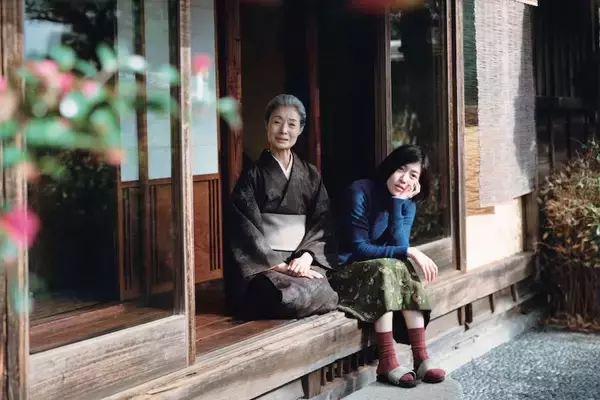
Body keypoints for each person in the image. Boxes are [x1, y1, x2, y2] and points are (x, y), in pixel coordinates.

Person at [329, 144, 446, 388]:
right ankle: (387, 360)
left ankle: (421, 356)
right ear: (390, 167)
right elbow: (359, 249)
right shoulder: (360, 191)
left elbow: (399, 245)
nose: (404, 179)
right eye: (401, 169)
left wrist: (398, 202)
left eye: (413, 175)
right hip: (344, 272)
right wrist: (410, 251)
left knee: (400, 266)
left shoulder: (406, 202)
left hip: (381, 274)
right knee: (389, 265)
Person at [226, 94, 339, 320]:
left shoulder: (310, 174)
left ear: (300, 129)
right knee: (286, 292)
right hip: (265, 265)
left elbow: (322, 224)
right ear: (266, 125)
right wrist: (279, 265)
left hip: (300, 260)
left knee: (325, 290)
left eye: (291, 124)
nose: (283, 130)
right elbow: (243, 230)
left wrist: (306, 257)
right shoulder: (252, 175)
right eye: (277, 122)